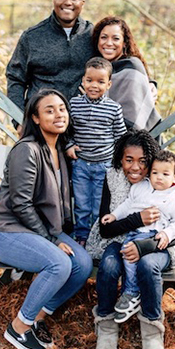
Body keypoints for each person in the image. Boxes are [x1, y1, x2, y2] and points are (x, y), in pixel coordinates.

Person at [0, 89, 93, 349]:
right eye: (49, 110)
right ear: (35, 117)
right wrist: (53, 240)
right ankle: (18, 327)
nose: (59, 114)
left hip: (41, 229)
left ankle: (37, 318)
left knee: (83, 264)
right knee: (59, 263)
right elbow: (21, 205)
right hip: (7, 229)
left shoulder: (58, 150)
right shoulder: (27, 150)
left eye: (62, 108)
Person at [86, 129, 175, 349]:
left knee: (147, 265)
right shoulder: (115, 178)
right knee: (110, 265)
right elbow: (106, 228)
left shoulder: (160, 183)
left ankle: (152, 332)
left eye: (143, 162)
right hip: (119, 238)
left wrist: (145, 246)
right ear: (120, 159)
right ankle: (107, 327)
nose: (135, 167)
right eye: (128, 160)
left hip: (160, 244)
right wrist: (137, 220)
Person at [101, 149, 175, 324]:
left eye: (165, 174)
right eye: (155, 173)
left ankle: (133, 294)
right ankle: (130, 294)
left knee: (143, 263)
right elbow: (127, 205)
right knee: (127, 255)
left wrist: (166, 233)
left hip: (153, 237)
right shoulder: (140, 188)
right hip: (134, 234)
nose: (159, 177)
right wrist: (114, 216)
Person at [7, 0, 94, 132]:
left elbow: (122, 56)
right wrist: (19, 121)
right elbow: (15, 79)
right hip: (40, 126)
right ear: (53, 0)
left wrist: (149, 82)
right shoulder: (32, 37)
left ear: (82, 2)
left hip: (83, 128)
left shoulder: (93, 35)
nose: (68, 2)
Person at [66, 57, 126, 245]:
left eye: (100, 82)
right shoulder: (74, 104)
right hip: (81, 165)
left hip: (104, 166)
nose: (94, 85)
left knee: (99, 205)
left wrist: (118, 161)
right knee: (81, 205)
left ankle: (95, 238)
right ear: (83, 81)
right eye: (89, 80)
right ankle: (82, 237)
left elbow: (120, 137)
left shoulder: (113, 108)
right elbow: (67, 130)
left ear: (108, 84)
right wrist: (69, 145)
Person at [92, 16, 161, 130]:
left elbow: (134, 116)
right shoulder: (95, 68)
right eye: (104, 37)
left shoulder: (132, 67)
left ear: (124, 43)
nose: (109, 43)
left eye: (116, 38)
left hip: (134, 138)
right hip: (101, 136)